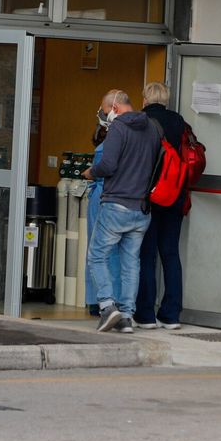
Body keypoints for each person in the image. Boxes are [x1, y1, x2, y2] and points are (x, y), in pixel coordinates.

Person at [83, 89, 156, 333]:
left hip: (117, 204)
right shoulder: (153, 128)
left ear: (114, 107)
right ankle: (126, 316)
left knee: (97, 256)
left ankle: (107, 307)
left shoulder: (118, 129)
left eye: (105, 112)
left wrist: (91, 172)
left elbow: (108, 164)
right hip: (142, 208)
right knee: (130, 262)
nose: (104, 117)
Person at [137, 81, 187, 331]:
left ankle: (146, 314)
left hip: (149, 197)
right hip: (174, 196)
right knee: (170, 254)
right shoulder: (178, 121)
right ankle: (171, 314)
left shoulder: (141, 120)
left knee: (146, 255)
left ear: (145, 98)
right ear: (166, 99)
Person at [84, 92, 120, 317]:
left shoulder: (105, 147)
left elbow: (100, 172)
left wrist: (89, 173)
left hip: (103, 198)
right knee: (118, 253)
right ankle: (117, 302)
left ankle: (101, 300)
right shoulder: (128, 138)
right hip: (120, 199)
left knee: (99, 251)